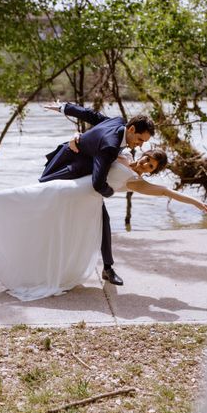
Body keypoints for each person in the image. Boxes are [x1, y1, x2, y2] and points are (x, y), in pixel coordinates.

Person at [0, 149, 207, 302]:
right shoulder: (123, 156)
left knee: (32, 206)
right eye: (148, 158)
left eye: (151, 166)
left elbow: (166, 192)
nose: (146, 164)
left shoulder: (137, 182)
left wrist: (195, 202)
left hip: (78, 201)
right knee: (27, 197)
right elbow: (99, 144)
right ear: (145, 153)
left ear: (151, 171)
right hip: (71, 188)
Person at [40, 101, 154, 286]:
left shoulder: (119, 123)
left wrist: (64, 108)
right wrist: (111, 191)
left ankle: (107, 268)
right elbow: (98, 183)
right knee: (40, 197)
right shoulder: (111, 145)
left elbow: (91, 115)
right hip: (68, 169)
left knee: (104, 221)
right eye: (140, 140)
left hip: (82, 174)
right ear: (132, 129)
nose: (140, 145)